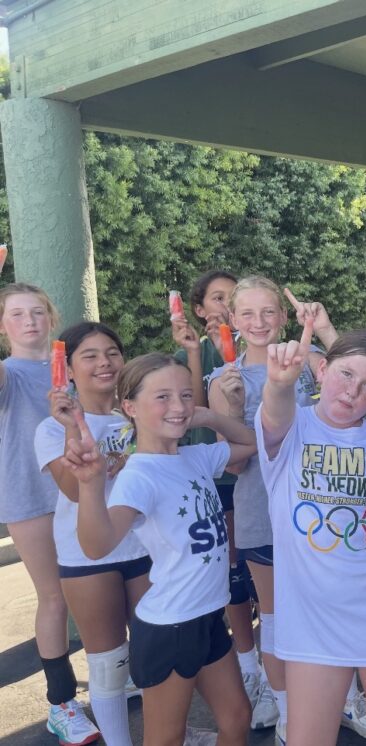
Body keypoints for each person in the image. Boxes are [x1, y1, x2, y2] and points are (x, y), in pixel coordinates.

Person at [65, 353, 257, 746]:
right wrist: (89, 485)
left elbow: (252, 442)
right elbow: (97, 546)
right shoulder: (139, 475)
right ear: (130, 407)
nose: (179, 406)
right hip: (171, 627)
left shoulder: (196, 457)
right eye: (162, 397)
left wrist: (209, 416)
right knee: (165, 738)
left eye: (185, 395)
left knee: (237, 718)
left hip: (208, 615)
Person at [257, 319, 366, 745]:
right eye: (346, 374)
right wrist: (279, 383)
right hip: (311, 616)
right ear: (322, 369)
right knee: (308, 736)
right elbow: (274, 411)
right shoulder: (291, 428)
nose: (351, 392)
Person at [208, 276, 327, 735]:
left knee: (324, 609)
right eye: (248, 314)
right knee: (276, 619)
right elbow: (233, 464)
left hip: (321, 509)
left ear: (282, 316)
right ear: (233, 320)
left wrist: (319, 331)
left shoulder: (310, 362)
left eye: (268, 312)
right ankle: (286, 713)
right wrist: (235, 409)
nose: (259, 322)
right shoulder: (224, 380)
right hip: (263, 511)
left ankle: (341, 698)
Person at [35, 322, 150, 746]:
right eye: (90, 356)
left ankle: (170, 732)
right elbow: (72, 489)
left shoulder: (139, 415)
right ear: (68, 369)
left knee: (154, 653)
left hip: (147, 547)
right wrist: (72, 425)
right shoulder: (50, 429)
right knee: (109, 663)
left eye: (112, 352)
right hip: (88, 557)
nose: (105, 362)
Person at [0, 281, 101, 745]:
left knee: (102, 587)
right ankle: (62, 702)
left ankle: (114, 676)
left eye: (37, 311)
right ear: (3, 325)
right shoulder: (9, 374)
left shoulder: (74, 367)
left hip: (82, 490)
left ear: (51, 317)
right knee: (54, 597)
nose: (29, 321)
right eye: (17, 314)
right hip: (31, 497)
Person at [172, 269, 267, 727]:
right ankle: (248, 664)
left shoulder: (260, 347)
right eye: (217, 298)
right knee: (233, 572)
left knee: (265, 576)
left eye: (233, 298)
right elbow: (193, 409)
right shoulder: (195, 349)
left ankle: (270, 658)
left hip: (256, 473)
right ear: (199, 308)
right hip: (215, 473)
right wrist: (197, 351)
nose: (226, 306)